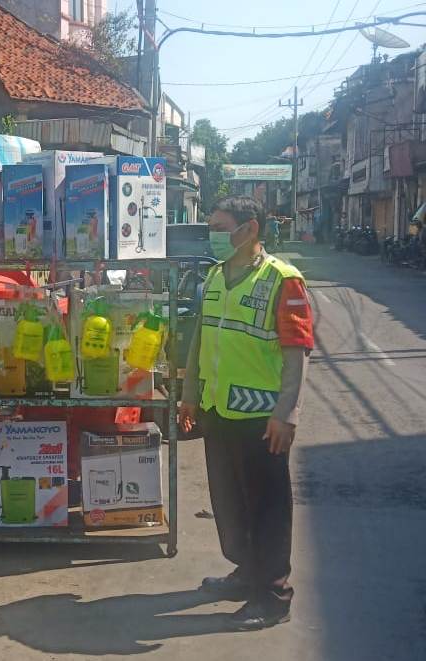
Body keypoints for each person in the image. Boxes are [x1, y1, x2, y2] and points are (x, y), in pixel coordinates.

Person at [179, 196, 314, 631]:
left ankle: (273, 594)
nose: (214, 234)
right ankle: (245, 572)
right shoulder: (216, 276)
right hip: (218, 410)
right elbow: (201, 340)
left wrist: (287, 412)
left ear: (250, 229)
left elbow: (297, 352)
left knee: (267, 507)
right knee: (229, 503)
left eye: (221, 227)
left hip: (261, 419)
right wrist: (189, 394)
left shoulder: (283, 280)